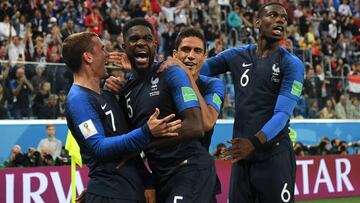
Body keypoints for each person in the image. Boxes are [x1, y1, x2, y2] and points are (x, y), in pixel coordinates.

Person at [199, 2, 304, 203]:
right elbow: (199, 70)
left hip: (274, 156)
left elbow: (282, 114)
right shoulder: (236, 55)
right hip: (243, 156)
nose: (281, 20)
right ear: (257, 22)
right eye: (273, 15)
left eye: (284, 18)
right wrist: (163, 66)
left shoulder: (291, 64)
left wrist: (254, 143)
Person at [108, 27, 225, 202]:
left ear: (204, 57)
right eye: (186, 50)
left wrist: (185, 74)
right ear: (175, 54)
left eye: (197, 51)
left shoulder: (213, 85)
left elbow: (205, 123)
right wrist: (132, 74)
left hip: (192, 169)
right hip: (161, 173)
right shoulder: (165, 78)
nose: (191, 56)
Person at [62, 32, 181, 202]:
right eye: (102, 49)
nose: (107, 55)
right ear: (88, 57)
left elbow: (127, 148)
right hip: (110, 194)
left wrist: (147, 180)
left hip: (131, 191)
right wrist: (147, 131)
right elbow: (99, 147)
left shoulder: (107, 95)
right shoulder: (78, 100)